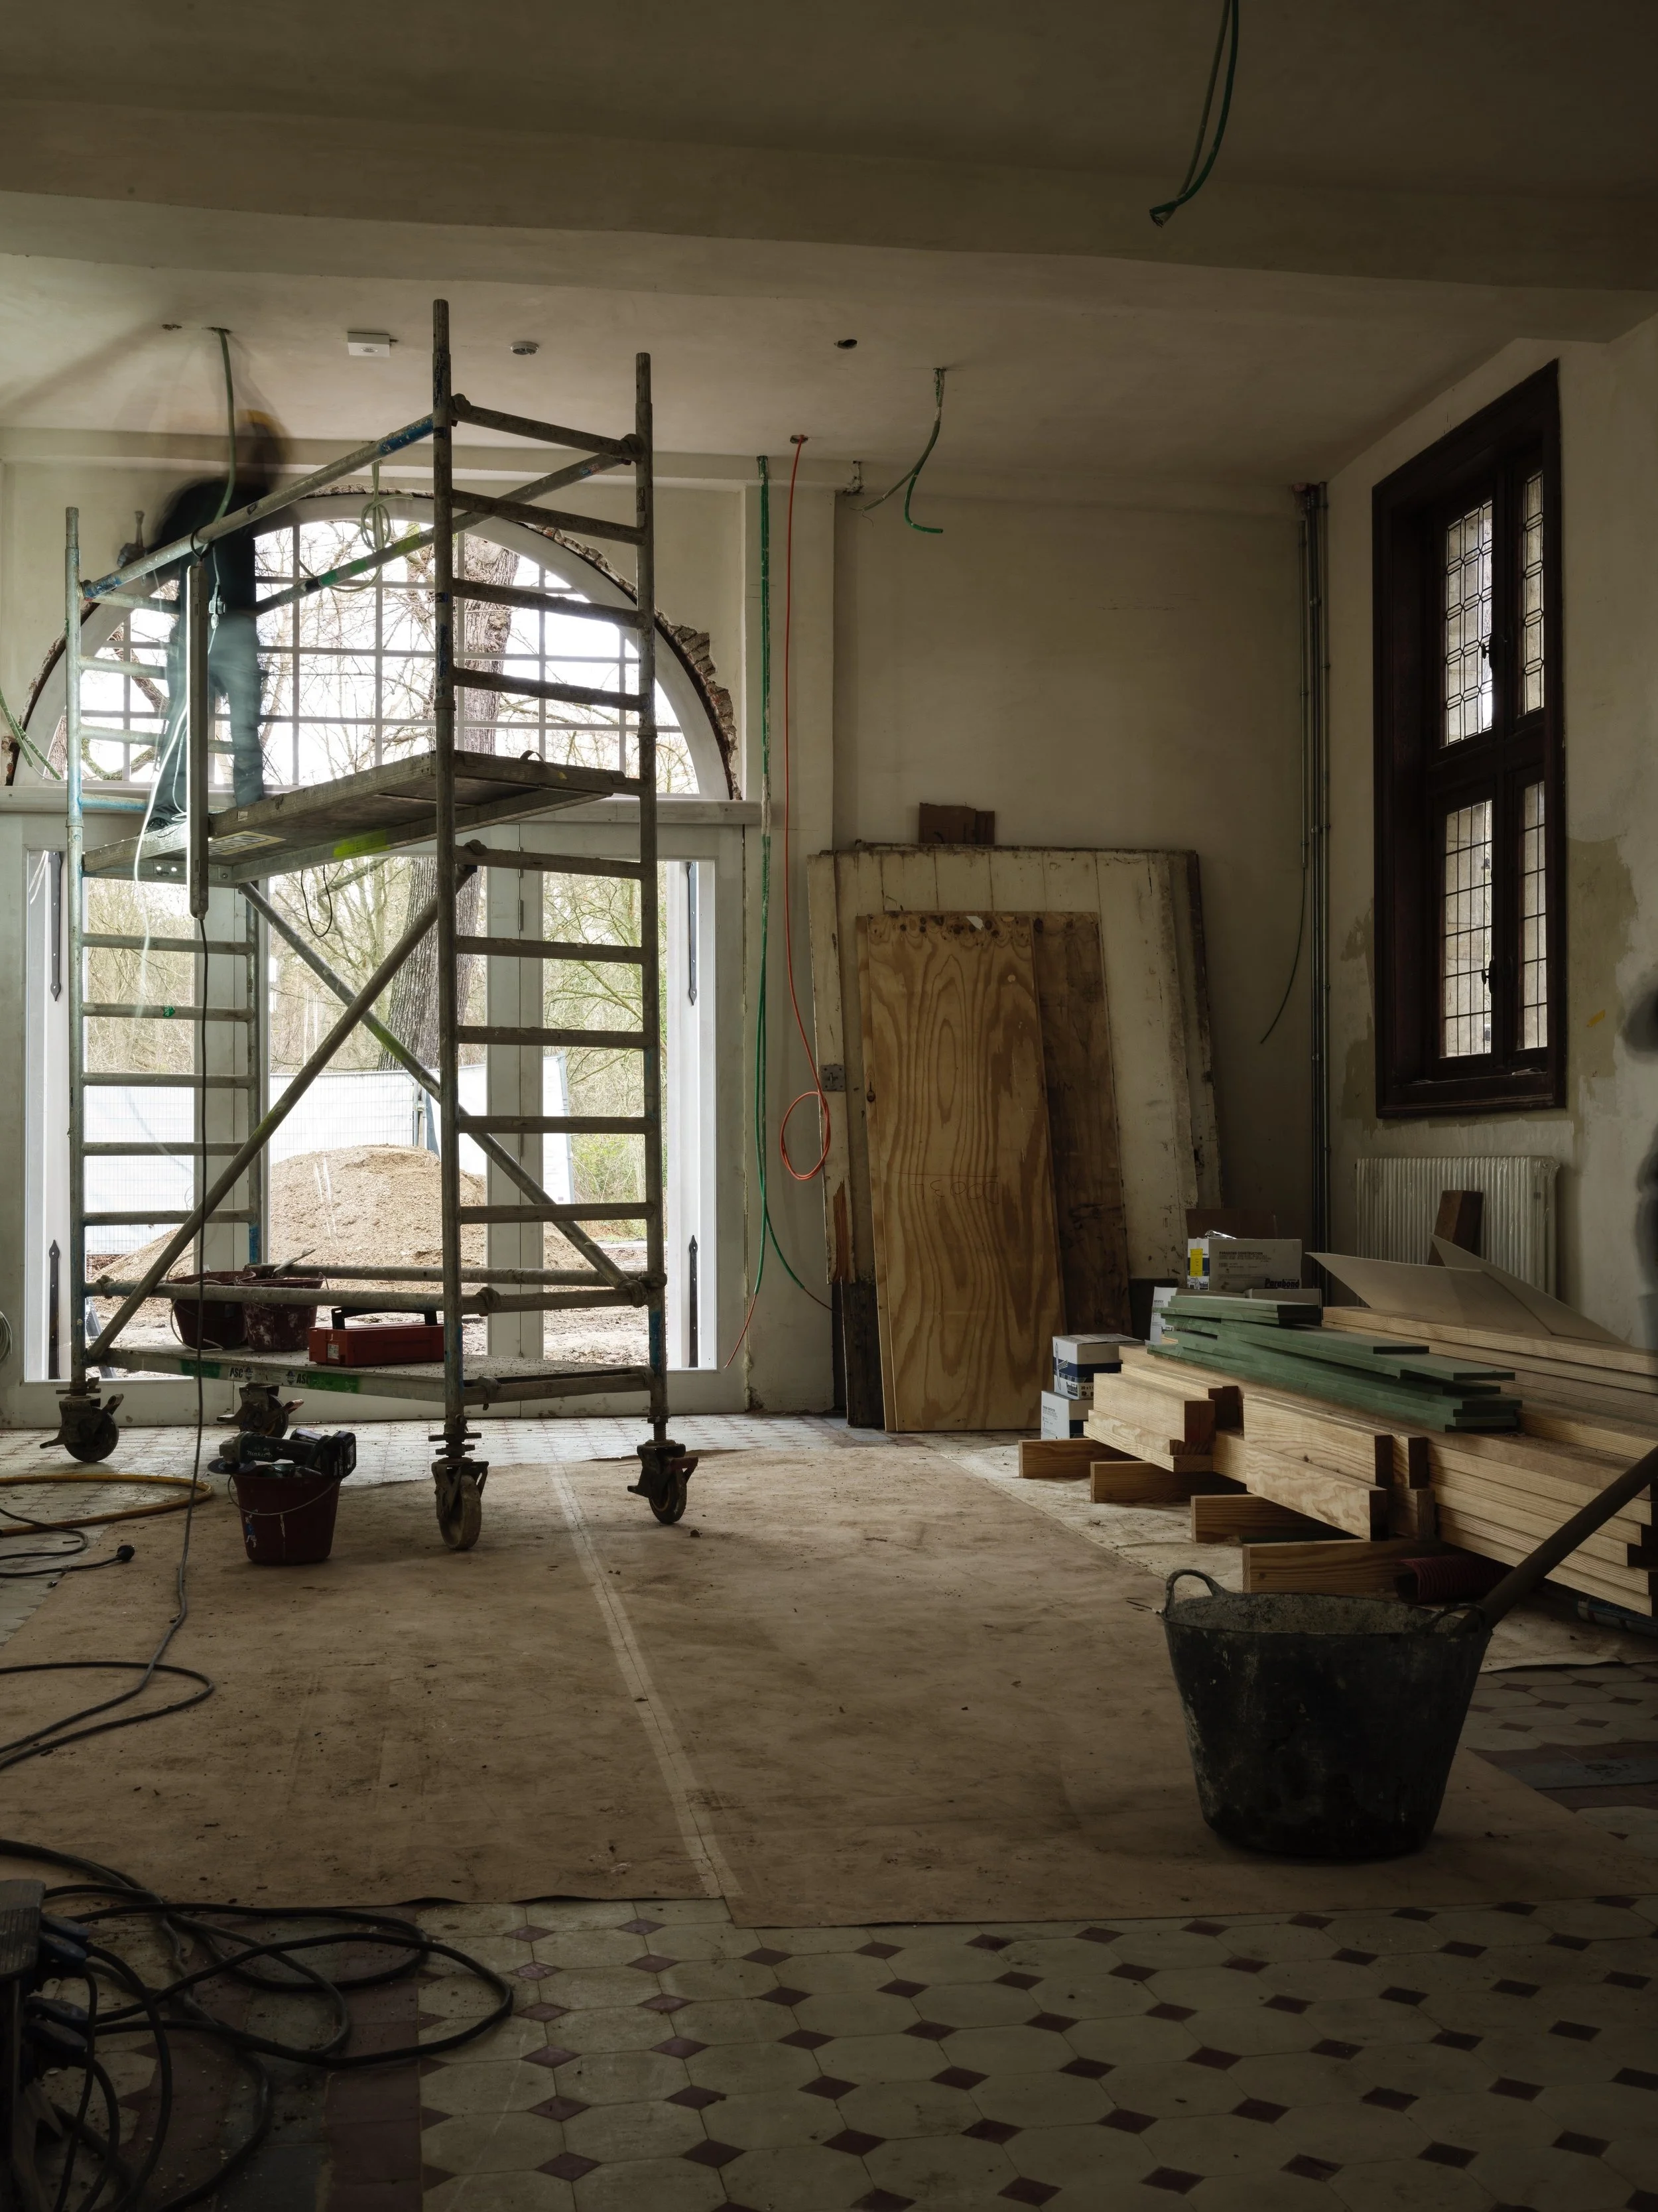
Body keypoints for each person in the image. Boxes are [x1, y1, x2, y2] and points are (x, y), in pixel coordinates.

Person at [148, 412, 288, 825]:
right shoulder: (204, 497)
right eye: (254, 455)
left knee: (240, 726)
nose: (258, 466)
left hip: (231, 626)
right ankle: (170, 810)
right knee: (185, 723)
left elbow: (160, 557)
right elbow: (162, 556)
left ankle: (245, 808)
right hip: (199, 625)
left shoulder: (251, 501)